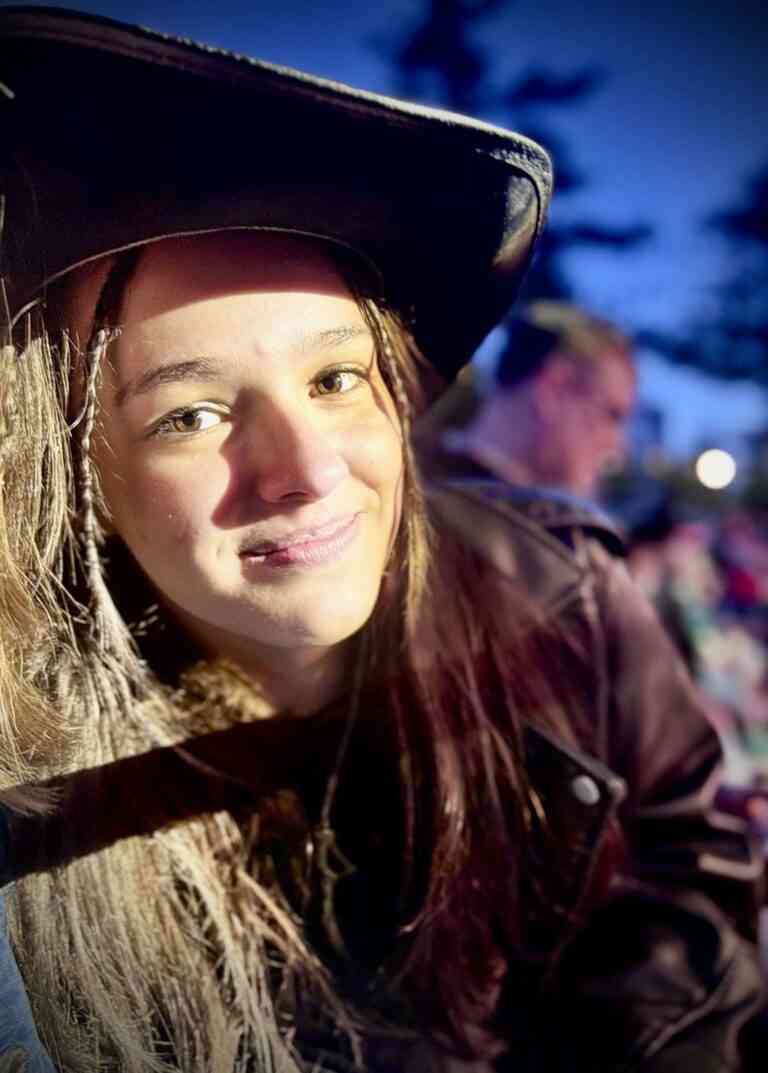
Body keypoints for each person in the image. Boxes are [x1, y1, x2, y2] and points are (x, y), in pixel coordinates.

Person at [0, 8, 763, 1073]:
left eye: (334, 378)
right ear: (75, 481)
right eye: (192, 414)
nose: (308, 468)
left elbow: (685, 860)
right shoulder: (36, 779)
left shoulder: (563, 600)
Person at [422, 302, 637, 501]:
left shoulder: (416, 475)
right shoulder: (425, 493)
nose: (617, 446)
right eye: (613, 415)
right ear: (553, 389)